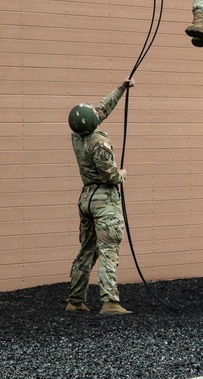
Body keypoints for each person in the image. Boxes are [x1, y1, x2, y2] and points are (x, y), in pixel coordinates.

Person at [65, 78, 134, 315]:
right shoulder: (100, 143)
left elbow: (101, 109)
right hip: (105, 200)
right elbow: (109, 176)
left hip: (86, 198)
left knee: (87, 249)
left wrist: (121, 89)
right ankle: (109, 301)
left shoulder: (77, 136)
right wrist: (121, 174)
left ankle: (75, 300)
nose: (97, 110)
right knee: (108, 249)